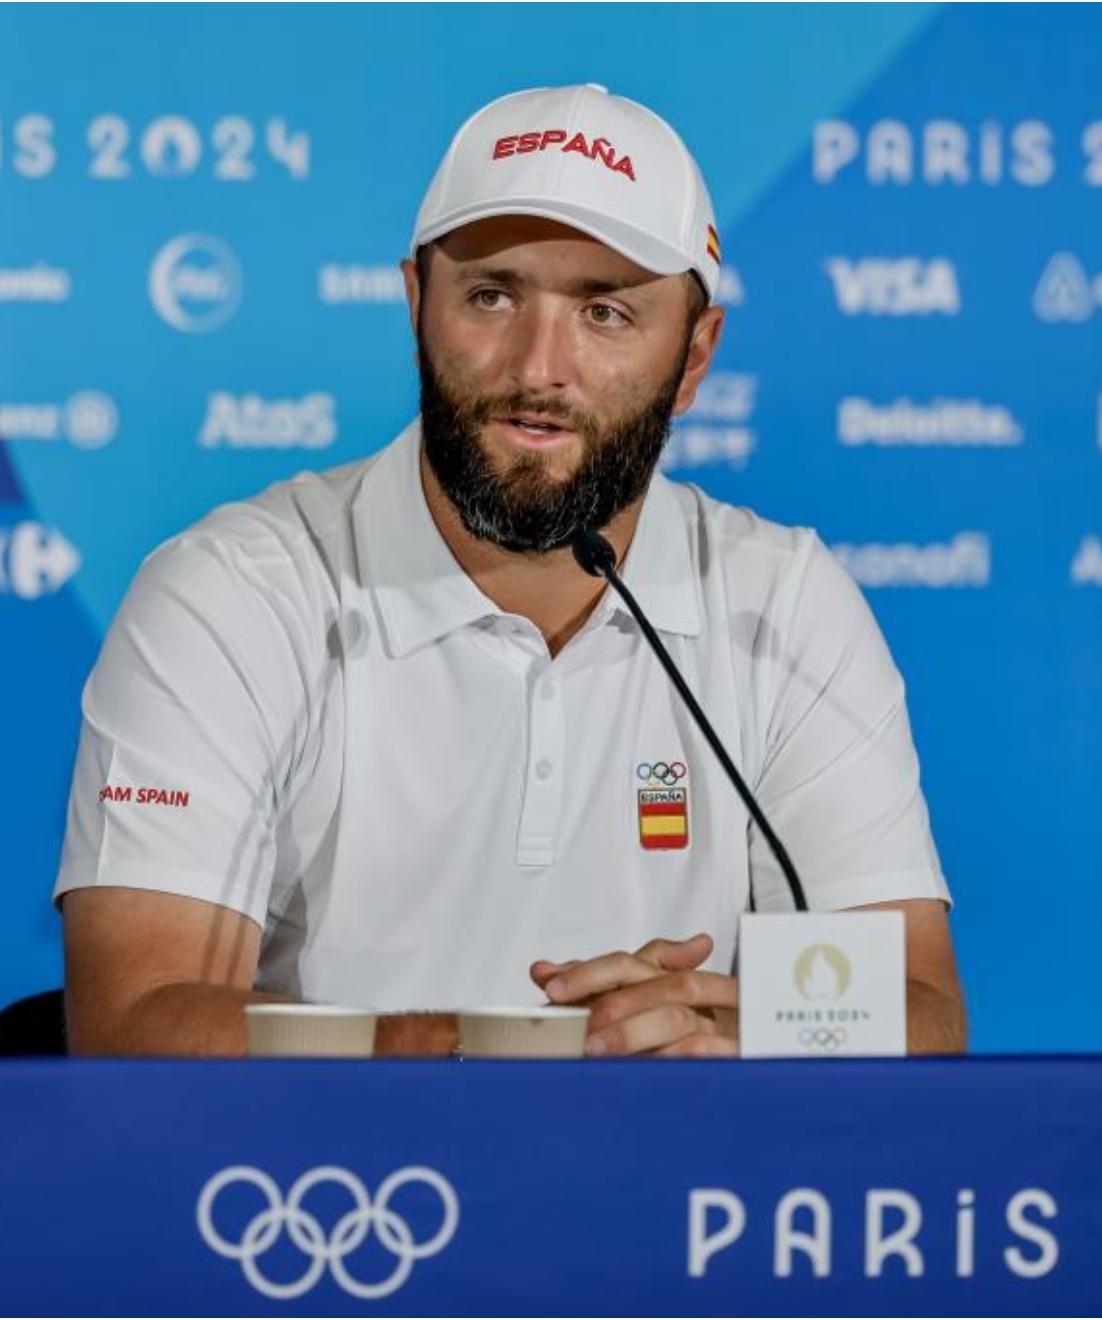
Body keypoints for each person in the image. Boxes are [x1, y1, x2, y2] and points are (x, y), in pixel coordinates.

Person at [57, 84, 965, 1058]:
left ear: (695, 357)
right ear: (416, 306)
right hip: (348, 1195)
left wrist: (713, 1031)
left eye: (606, 311)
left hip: (676, 1200)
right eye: (492, 295)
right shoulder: (235, 590)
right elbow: (133, 1025)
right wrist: (500, 1053)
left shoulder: (778, 601)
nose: (539, 366)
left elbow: (918, 1010)